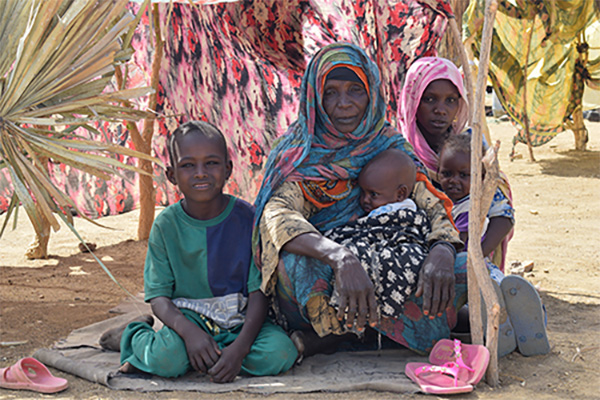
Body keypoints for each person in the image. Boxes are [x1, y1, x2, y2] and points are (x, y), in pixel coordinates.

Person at [252, 42, 467, 358]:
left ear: (372, 93)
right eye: (331, 92)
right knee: (295, 265)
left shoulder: (388, 145)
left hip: (390, 261)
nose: (344, 103)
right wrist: (340, 257)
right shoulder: (298, 152)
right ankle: (378, 334)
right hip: (328, 270)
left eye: (356, 90)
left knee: (462, 268)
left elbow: (429, 201)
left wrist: (443, 248)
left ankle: (344, 338)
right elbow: (277, 213)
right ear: (314, 95)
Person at [99, 121, 297, 382]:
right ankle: (134, 333)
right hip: (188, 322)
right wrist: (190, 333)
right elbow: (158, 297)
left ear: (228, 169)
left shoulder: (247, 218)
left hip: (239, 322)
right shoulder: (166, 225)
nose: (201, 173)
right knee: (165, 358)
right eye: (188, 165)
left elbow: (258, 291)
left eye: (211, 163)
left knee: (280, 353)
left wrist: (240, 349)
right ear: (171, 176)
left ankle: (211, 359)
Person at [398, 56, 513, 272]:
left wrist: (473, 259)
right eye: (430, 99)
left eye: (451, 100)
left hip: (471, 253)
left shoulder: (471, 145)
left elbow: (503, 214)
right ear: (412, 99)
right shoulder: (398, 151)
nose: (441, 109)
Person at [324, 148, 430, 323]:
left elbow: (413, 231)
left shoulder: (405, 211)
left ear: (400, 194)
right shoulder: (380, 207)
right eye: (363, 193)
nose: (365, 200)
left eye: (373, 194)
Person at [438, 133, 514, 266]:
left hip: (468, 263)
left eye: (463, 175)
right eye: (447, 174)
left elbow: (459, 242)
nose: (454, 181)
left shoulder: (470, 207)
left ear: (481, 177)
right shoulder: (442, 200)